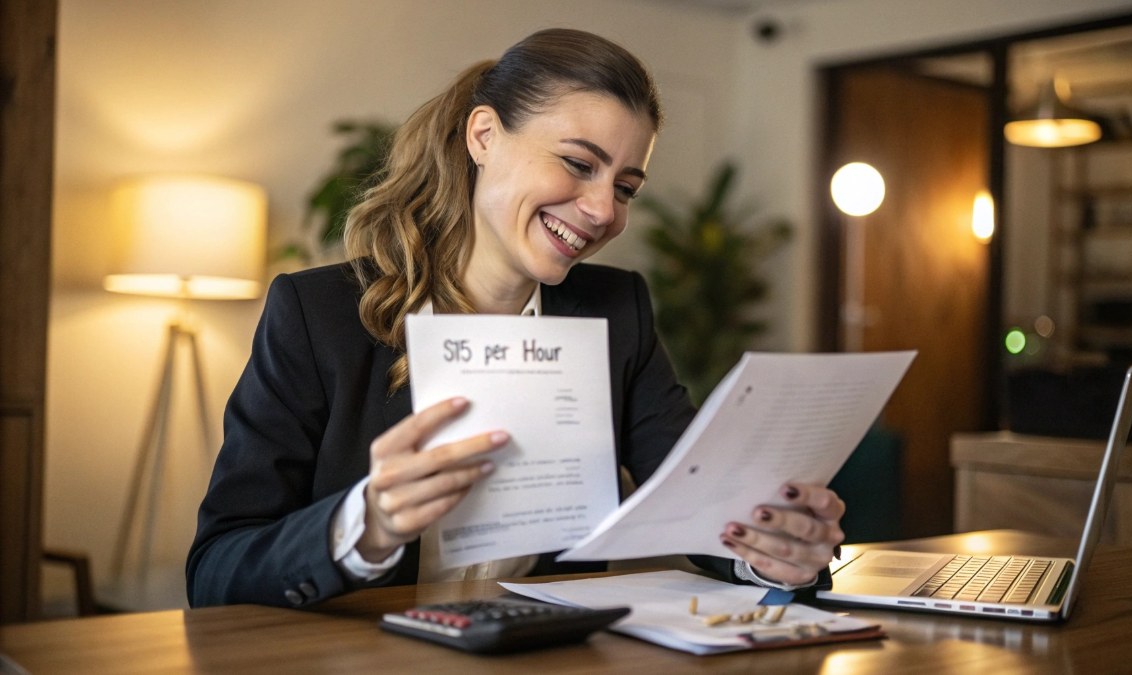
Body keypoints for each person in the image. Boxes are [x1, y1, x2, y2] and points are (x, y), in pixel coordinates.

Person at [186, 27, 844, 609]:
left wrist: (768, 547)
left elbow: (695, 505)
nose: (602, 210)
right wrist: (368, 522)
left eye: (624, 188)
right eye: (578, 164)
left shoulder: (618, 312)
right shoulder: (318, 314)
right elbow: (215, 568)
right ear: (483, 136)